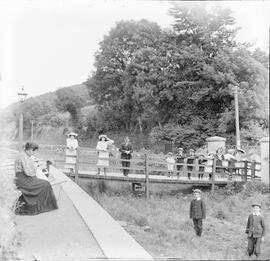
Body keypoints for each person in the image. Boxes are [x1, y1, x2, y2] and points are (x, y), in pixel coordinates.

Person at [14, 142, 58, 215]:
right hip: (23, 179)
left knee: (45, 183)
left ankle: (37, 205)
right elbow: (29, 172)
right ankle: (36, 206)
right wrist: (35, 170)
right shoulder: (23, 157)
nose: (34, 154)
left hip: (24, 177)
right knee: (45, 184)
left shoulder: (25, 155)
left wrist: (34, 169)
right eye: (34, 152)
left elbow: (30, 170)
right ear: (31, 150)